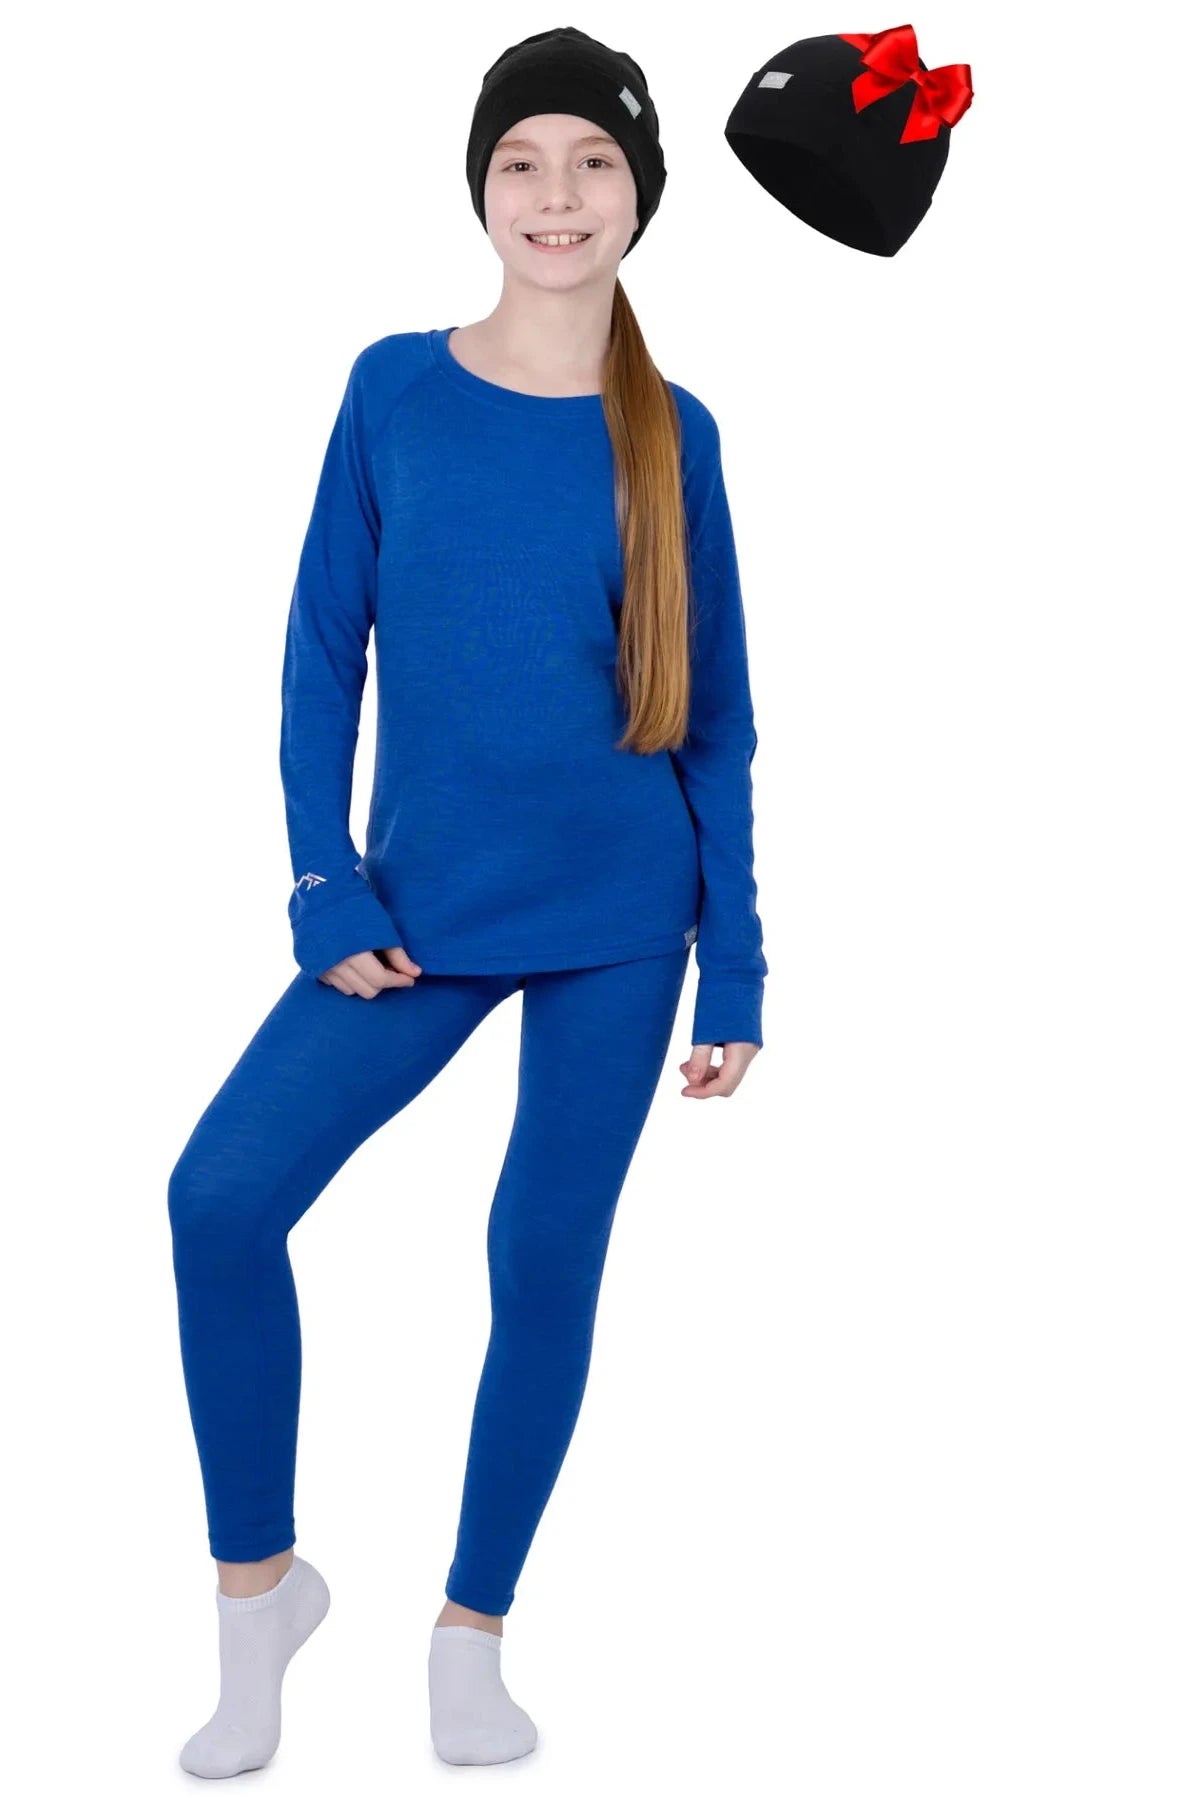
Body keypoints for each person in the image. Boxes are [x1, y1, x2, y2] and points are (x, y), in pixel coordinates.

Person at [167, 25, 768, 1778]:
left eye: (593, 164)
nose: (556, 195)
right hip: (412, 914)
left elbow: (717, 720)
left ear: (640, 198)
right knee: (218, 1199)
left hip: (621, 923)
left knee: (539, 1258)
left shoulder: (676, 436)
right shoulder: (391, 390)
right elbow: (317, 657)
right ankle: (259, 1596)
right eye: (523, 162)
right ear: (481, 188)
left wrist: (734, 964)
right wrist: (321, 884)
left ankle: (471, 1633)